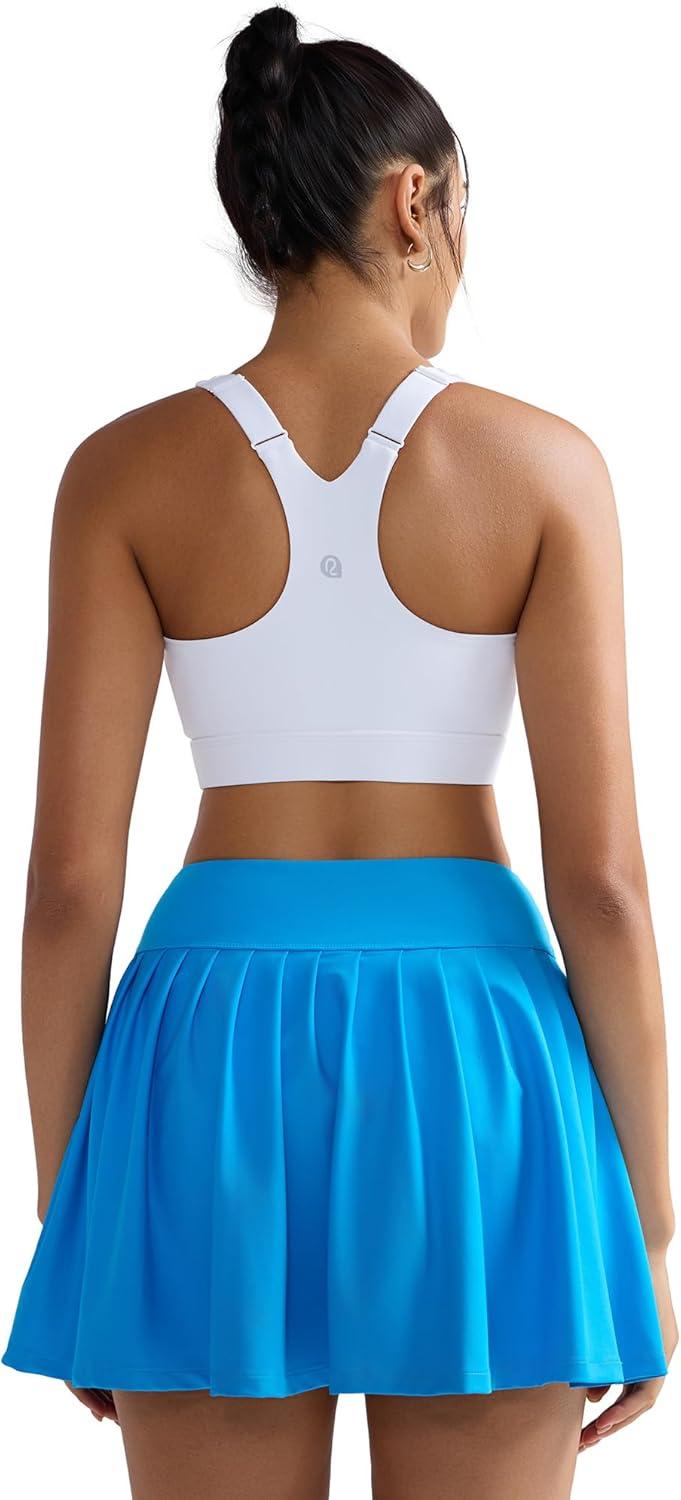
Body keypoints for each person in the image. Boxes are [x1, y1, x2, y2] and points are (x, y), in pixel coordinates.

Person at [2, 6, 676, 1497]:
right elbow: (607, 888)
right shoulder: (544, 467)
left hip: (204, 1047)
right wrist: (644, 1221)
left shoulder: (120, 472)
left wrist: (83, 1210)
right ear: (415, 200)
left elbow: (66, 890)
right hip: (475, 1050)